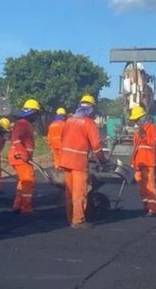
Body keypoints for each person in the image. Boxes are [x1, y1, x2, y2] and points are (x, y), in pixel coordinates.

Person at [58, 94, 106, 229]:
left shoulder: (69, 120)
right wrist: (102, 160)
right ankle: (78, 220)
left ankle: (70, 218)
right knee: (79, 192)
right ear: (91, 108)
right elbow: (96, 145)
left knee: (69, 191)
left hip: (65, 160)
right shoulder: (89, 123)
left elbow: (63, 138)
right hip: (78, 162)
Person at [8, 99, 40, 215]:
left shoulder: (24, 124)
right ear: (31, 113)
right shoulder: (23, 124)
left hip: (19, 156)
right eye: (36, 114)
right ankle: (26, 207)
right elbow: (16, 138)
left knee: (23, 181)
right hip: (20, 157)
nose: (37, 117)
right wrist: (23, 153)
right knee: (28, 181)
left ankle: (18, 204)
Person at [129, 104, 156, 216]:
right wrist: (132, 161)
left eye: (136, 120)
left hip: (148, 161)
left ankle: (152, 208)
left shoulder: (152, 128)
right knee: (141, 185)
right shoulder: (137, 131)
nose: (136, 122)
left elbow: (154, 143)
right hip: (138, 162)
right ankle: (145, 205)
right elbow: (136, 146)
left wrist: (144, 136)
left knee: (149, 185)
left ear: (142, 118)